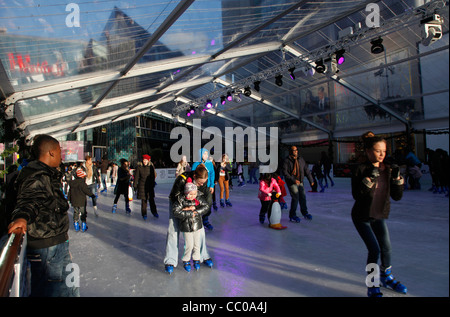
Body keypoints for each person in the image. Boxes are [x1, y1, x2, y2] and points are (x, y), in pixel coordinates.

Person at [7, 134, 80, 297]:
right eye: (59, 151)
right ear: (51, 153)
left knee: (69, 288)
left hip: (57, 241)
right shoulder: (37, 175)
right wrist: (22, 217)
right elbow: (29, 200)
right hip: (47, 246)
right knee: (52, 290)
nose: (62, 155)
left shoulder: (47, 174)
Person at [351, 132, 407, 297]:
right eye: (377, 151)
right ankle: (372, 283)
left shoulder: (388, 169)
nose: (382, 154)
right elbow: (357, 195)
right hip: (362, 217)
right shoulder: (360, 169)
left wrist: (397, 179)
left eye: (384, 150)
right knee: (374, 249)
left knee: (387, 248)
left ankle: (386, 276)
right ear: (368, 152)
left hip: (378, 215)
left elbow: (397, 196)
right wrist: (368, 180)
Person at [164, 164, 213, 274]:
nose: (202, 184)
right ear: (194, 176)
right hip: (178, 204)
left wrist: (202, 210)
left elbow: (206, 198)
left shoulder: (202, 182)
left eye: (203, 183)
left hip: (194, 206)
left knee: (200, 230)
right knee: (173, 229)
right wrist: (185, 207)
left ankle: (203, 255)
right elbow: (175, 195)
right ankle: (170, 260)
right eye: (200, 182)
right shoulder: (182, 179)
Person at [172, 177, 210, 272]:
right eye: (191, 194)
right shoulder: (181, 200)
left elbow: (206, 206)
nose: (193, 196)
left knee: (197, 244)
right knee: (189, 245)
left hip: (197, 225)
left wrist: (196, 211)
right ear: (186, 193)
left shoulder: (197, 198)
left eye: (194, 194)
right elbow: (176, 212)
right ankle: (186, 259)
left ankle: (196, 259)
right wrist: (189, 212)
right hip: (186, 227)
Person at [282, 145, 314, 223]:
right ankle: (292, 215)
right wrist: (293, 180)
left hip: (300, 181)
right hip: (292, 182)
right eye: (294, 150)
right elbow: (285, 173)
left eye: (296, 150)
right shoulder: (286, 160)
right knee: (295, 197)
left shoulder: (301, 159)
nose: (296, 151)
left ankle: (305, 212)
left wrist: (311, 180)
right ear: (290, 151)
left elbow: (306, 170)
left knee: (302, 197)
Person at [191, 148, 215, 230]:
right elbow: (193, 175)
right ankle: (198, 220)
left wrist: (212, 185)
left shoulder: (210, 164)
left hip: (207, 187)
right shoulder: (195, 164)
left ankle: (205, 220)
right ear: (200, 155)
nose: (206, 155)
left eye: (207, 154)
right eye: (204, 154)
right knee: (197, 204)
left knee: (209, 203)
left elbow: (212, 174)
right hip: (198, 187)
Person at [133, 154, 158, 220]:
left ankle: (154, 212)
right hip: (142, 186)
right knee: (144, 201)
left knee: (151, 200)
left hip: (149, 186)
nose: (144, 161)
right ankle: (144, 214)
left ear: (148, 160)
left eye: (146, 160)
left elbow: (153, 176)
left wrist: (152, 184)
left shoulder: (151, 167)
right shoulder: (139, 167)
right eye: (144, 160)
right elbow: (136, 177)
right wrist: (135, 185)